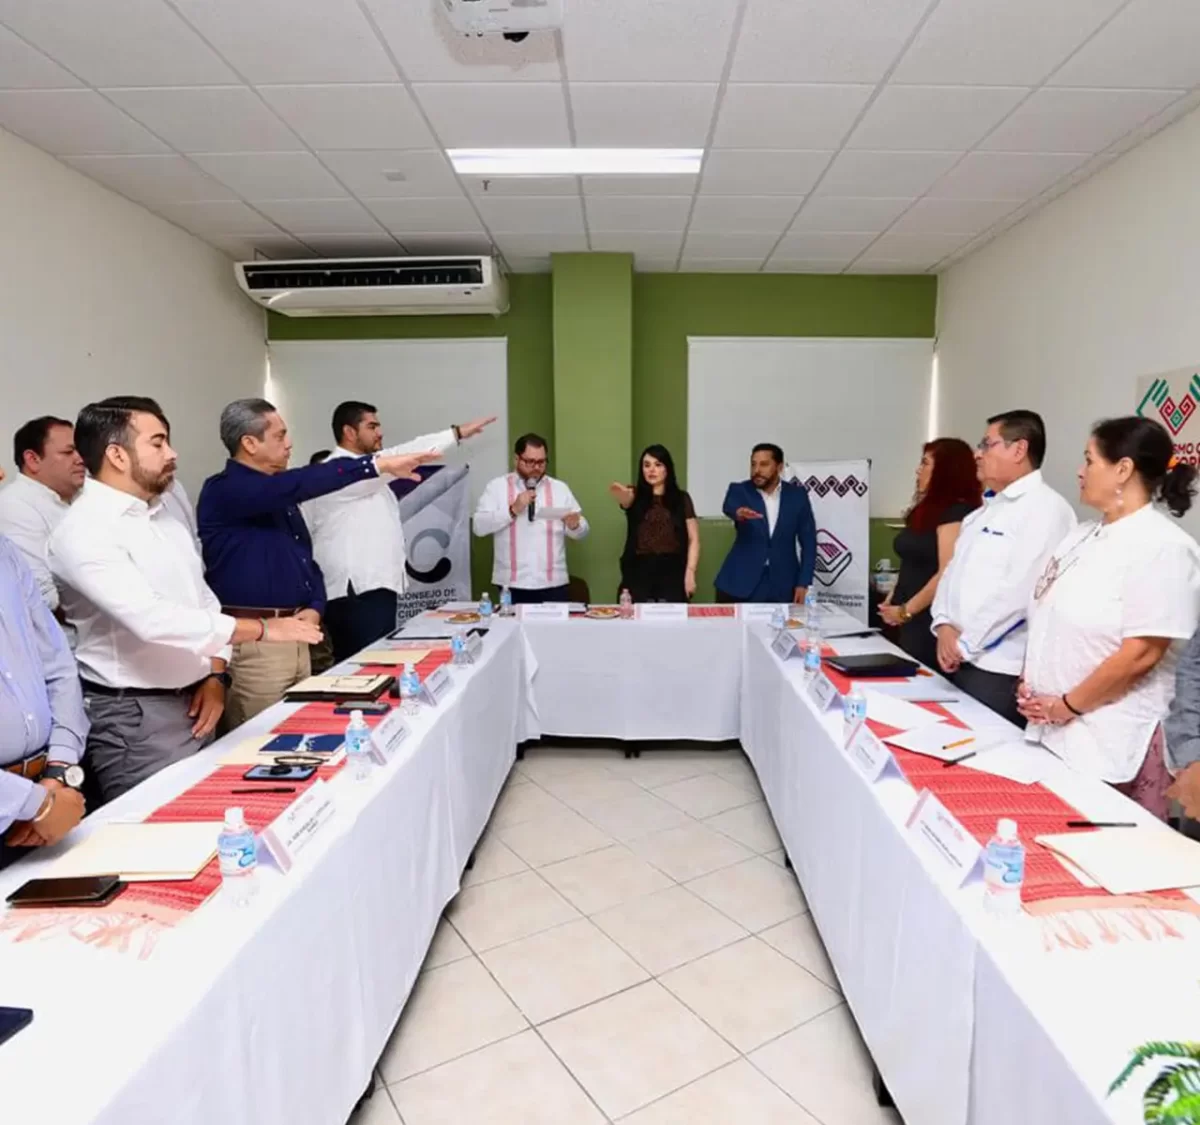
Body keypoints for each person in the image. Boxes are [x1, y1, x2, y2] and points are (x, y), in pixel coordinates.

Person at [48, 397, 323, 805]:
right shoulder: (83, 531)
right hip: (138, 717)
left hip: (197, 698)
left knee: (217, 816)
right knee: (159, 830)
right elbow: (153, 620)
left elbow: (204, 600)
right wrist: (264, 629)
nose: (172, 453)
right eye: (158, 443)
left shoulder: (163, 517)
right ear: (117, 456)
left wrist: (215, 675)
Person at [198, 399, 435, 726]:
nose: (289, 443)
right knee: (260, 738)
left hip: (297, 637)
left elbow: (307, 562)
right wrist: (373, 465)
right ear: (249, 443)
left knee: (301, 732)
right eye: (280, 436)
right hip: (257, 644)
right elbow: (302, 481)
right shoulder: (226, 490)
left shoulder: (280, 498)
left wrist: (315, 605)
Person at [1019, 417, 1200, 820]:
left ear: (1123, 469)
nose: (1079, 471)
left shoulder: (1164, 547)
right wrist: (1032, 685)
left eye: (1089, 460)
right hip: (1054, 727)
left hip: (1112, 733)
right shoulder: (1081, 536)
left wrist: (1066, 705)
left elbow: (1141, 654)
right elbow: (1049, 620)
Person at [303, 401, 496, 662]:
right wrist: (455, 434)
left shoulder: (369, 473)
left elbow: (400, 453)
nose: (380, 432)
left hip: (375, 589)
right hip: (356, 593)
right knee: (360, 667)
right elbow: (404, 452)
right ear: (349, 432)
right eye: (372, 426)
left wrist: (455, 435)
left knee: (377, 666)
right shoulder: (336, 472)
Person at [931, 410, 1076, 726]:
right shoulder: (984, 511)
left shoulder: (1046, 510)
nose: (977, 453)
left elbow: (1020, 593)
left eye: (987, 444)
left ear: (1019, 449)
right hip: (957, 657)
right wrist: (943, 624)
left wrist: (964, 644)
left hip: (997, 668)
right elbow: (951, 573)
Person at [0, 509, 88, 867]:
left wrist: (57, 772)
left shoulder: (5, 552)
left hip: (52, 797)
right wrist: (34, 803)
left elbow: (57, 665)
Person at [880, 439, 981, 668]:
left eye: (925, 463)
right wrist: (893, 597)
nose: (918, 470)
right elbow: (910, 561)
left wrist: (907, 611)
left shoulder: (957, 513)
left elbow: (946, 572)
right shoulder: (924, 511)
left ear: (945, 471)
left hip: (930, 621)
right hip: (908, 619)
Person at [473, 433, 588, 604]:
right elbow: (478, 527)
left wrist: (576, 526)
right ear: (516, 459)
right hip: (511, 584)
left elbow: (582, 531)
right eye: (530, 462)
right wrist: (512, 510)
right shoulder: (497, 487)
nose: (536, 467)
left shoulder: (559, 489)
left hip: (553, 584)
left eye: (541, 462)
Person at [0, 416, 85, 612]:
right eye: (68, 452)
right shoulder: (15, 505)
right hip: (64, 631)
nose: (81, 459)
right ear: (33, 460)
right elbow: (40, 598)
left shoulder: (85, 500)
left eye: (81, 450)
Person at [714, 443, 817, 604]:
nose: (757, 470)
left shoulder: (797, 495)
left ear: (779, 467)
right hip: (740, 583)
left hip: (784, 585)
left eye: (764, 464)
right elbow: (729, 506)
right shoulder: (739, 490)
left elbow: (809, 542)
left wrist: (803, 583)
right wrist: (738, 513)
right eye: (753, 464)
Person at [611, 444, 699, 602]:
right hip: (639, 571)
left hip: (673, 570)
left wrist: (690, 572)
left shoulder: (681, 499)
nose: (651, 470)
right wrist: (622, 494)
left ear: (667, 468)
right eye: (647, 465)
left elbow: (694, 539)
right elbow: (625, 500)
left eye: (658, 465)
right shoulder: (635, 495)